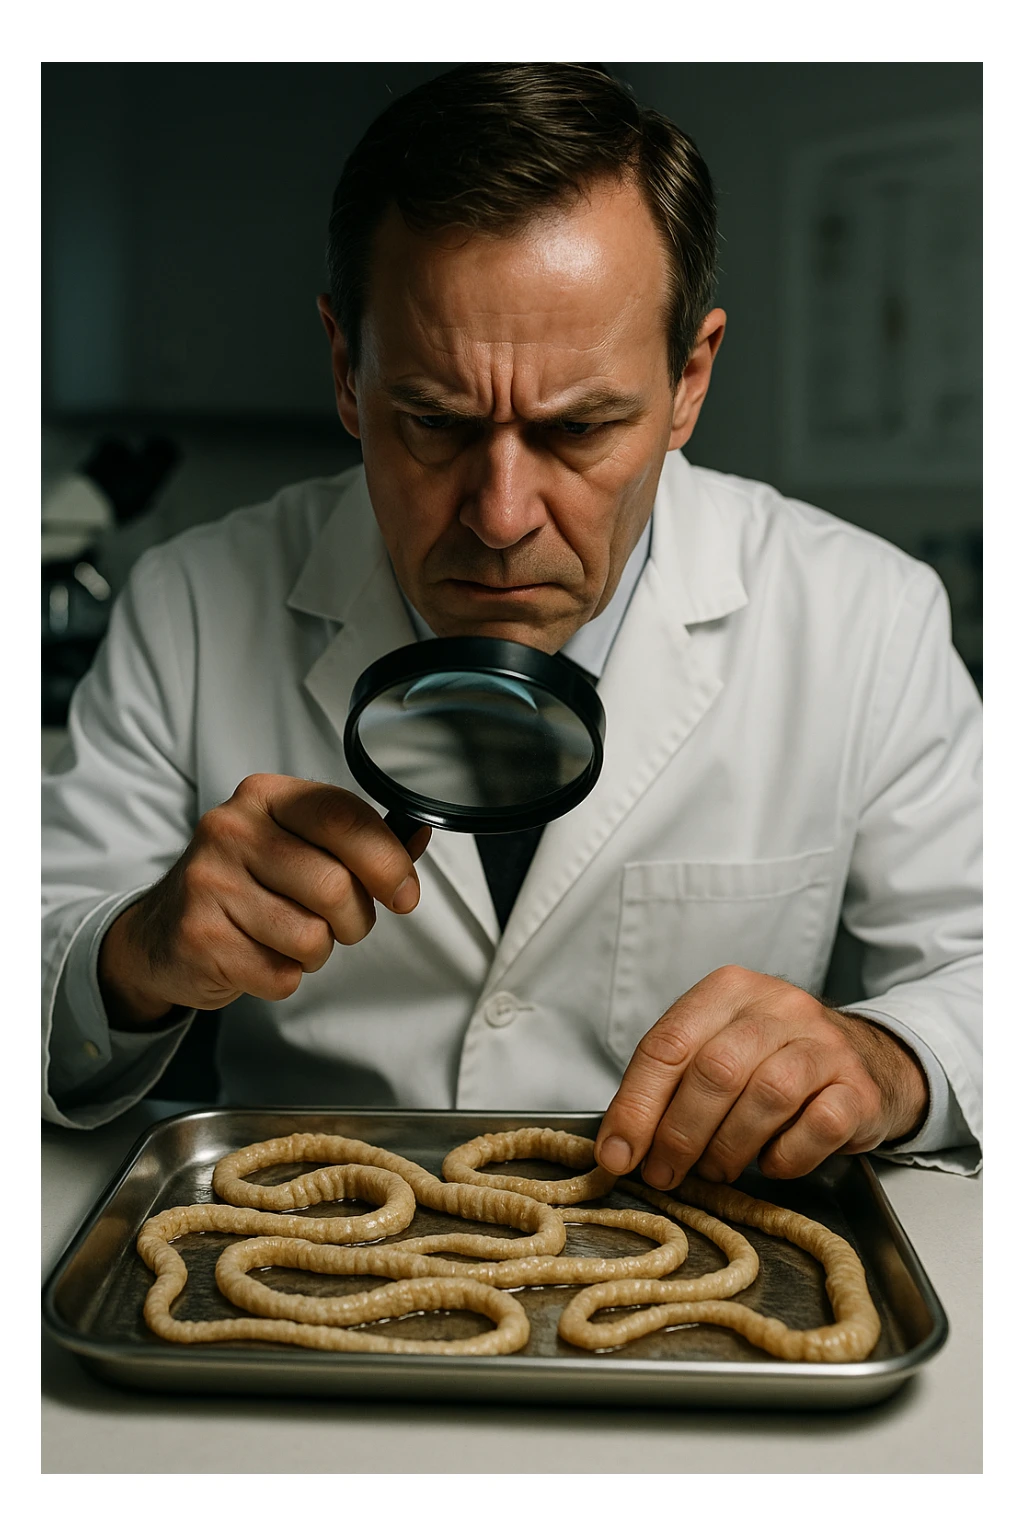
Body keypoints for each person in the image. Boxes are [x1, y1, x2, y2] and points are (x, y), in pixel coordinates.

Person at [41, 63, 981, 1185]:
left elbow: (988, 976)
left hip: (687, 1252)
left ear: (688, 379)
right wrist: (137, 954)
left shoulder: (862, 617)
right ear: (347, 370)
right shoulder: (192, 601)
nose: (498, 519)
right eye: (432, 422)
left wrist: (881, 1061)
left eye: (580, 429)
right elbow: (42, 964)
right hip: (303, 1242)